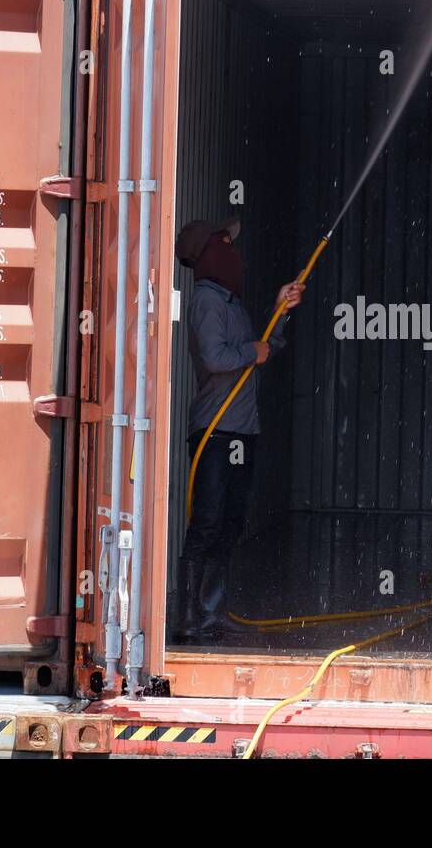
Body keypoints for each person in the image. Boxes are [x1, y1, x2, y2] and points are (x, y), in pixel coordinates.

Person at [171, 216, 304, 643]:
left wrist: (278, 311)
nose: (235, 252)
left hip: (241, 432)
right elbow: (216, 356)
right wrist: (254, 350)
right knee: (207, 522)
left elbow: (265, 346)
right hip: (216, 431)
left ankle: (212, 612)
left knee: (229, 523)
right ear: (211, 253)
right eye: (227, 243)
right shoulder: (208, 301)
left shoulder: (232, 303)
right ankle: (190, 618)